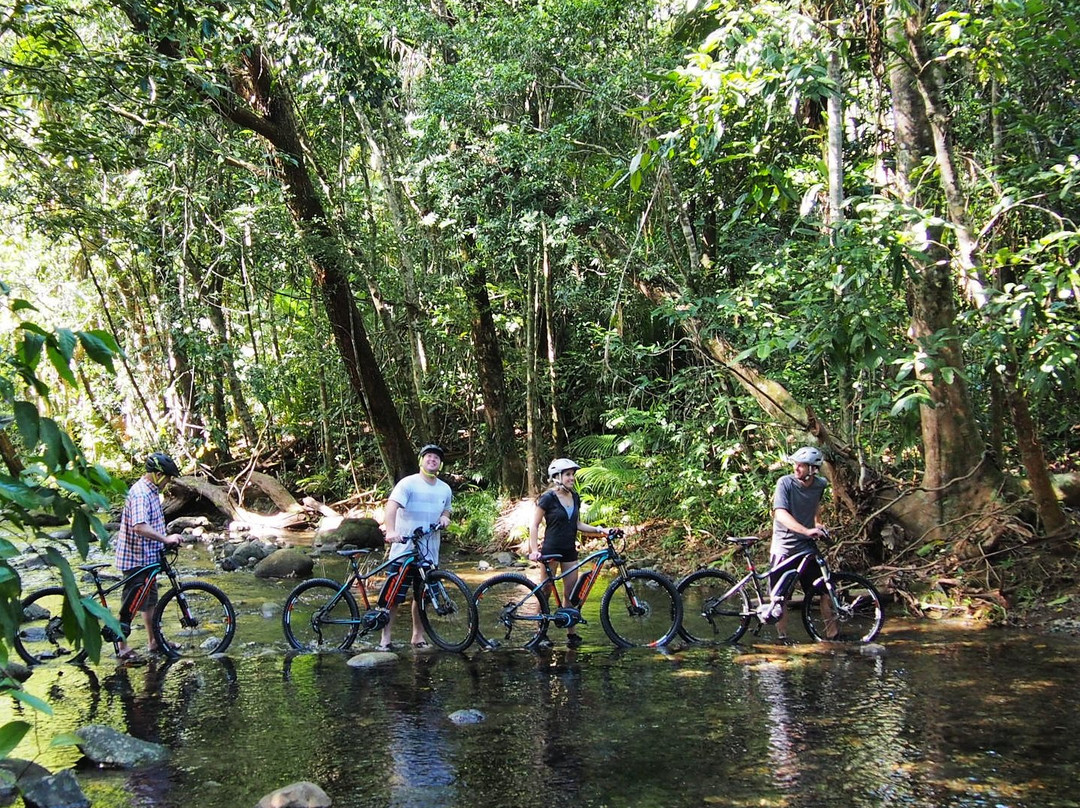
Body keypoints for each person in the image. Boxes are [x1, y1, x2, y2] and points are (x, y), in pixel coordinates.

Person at [378, 444, 453, 651]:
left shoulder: (444, 488)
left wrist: (445, 518)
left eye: (436, 458)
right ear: (421, 460)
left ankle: (417, 637)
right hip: (404, 550)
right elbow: (391, 506)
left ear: (440, 463)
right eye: (428, 456)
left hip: (429, 553)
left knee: (423, 597)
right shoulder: (408, 483)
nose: (432, 460)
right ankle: (385, 639)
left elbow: (447, 511)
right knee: (393, 596)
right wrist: (391, 531)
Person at [527, 458, 607, 649]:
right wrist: (535, 551)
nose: (572, 478)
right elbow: (534, 524)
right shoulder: (548, 498)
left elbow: (578, 524)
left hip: (569, 550)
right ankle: (541, 633)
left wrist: (600, 530)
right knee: (545, 591)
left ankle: (572, 634)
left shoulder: (575, 496)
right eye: (568, 475)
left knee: (571, 593)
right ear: (557, 477)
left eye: (573, 474)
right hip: (551, 549)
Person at [115, 452, 183, 662]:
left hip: (149, 557)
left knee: (149, 601)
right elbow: (140, 526)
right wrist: (165, 539)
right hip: (136, 559)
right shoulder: (141, 494)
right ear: (158, 475)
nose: (169, 482)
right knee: (131, 605)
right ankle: (121, 647)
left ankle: (154, 641)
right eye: (168, 478)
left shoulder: (152, 492)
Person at [769, 445, 836, 642]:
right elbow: (780, 513)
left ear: (812, 469)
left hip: (807, 548)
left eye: (801, 466)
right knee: (780, 598)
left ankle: (833, 635)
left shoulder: (820, 484)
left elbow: (815, 505)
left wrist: (818, 524)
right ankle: (783, 638)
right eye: (795, 465)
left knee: (824, 590)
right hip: (784, 547)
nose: (796, 468)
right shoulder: (785, 483)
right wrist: (806, 530)